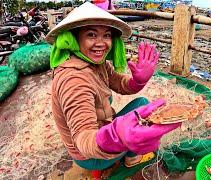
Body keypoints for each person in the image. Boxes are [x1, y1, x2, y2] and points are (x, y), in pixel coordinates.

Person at [45, 2, 180, 178]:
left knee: (143, 105)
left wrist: (138, 80)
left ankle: (124, 148)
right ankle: (130, 157)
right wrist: (116, 137)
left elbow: (119, 83)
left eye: (106, 35)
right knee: (142, 119)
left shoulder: (97, 63)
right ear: (74, 38)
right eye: (91, 35)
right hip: (90, 154)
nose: (101, 43)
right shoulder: (74, 79)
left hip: (104, 128)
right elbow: (83, 138)